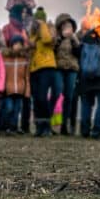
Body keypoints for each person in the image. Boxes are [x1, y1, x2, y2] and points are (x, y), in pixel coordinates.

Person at [29, 8, 60, 137]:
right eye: (36, 19)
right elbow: (30, 44)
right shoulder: (33, 33)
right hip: (34, 68)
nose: (38, 21)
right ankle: (39, 127)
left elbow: (48, 40)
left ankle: (47, 126)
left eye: (40, 18)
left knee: (42, 97)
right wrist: (36, 33)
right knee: (36, 99)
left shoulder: (48, 29)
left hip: (47, 66)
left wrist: (42, 25)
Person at [54, 14, 82, 136]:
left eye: (70, 25)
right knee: (57, 93)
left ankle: (65, 124)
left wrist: (75, 41)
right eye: (65, 25)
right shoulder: (56, 38)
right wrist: (60, 38)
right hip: (59, 68)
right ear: (60, 27)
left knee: (69, 97)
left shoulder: (75, 39)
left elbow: (79, 53)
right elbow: (52, 50)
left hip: (72, 69)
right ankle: (54, 122)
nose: (68, 27)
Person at [0, 35, 31, 134]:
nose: (17, 46)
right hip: (8, 89)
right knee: (9, 108)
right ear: (11, 45)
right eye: (15, 44)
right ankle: (5, 126)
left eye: (20, 44)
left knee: (17, 110)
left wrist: (27, 91)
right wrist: (1, 88)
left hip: (20, 89)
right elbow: (2, 74)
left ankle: (13, 127)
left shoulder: (25, 58)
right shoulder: (5, 57)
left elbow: (27, 76)